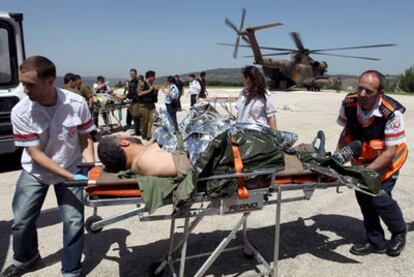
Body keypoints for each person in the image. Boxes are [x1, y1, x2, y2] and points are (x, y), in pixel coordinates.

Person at [1, 56, 95, 277]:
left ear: (50, 80)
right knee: (22, 221)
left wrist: (89, 167)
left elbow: (85, 138)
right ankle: (26, 258)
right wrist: (69, 177)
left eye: (30, 84)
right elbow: (35, 154)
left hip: (71, 167)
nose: (24, 89)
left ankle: (71, 270)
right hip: (36, 172)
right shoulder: (21, 111)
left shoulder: (76, 103)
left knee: (73, 221)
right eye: (22, 83)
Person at [336, 70, 408, 257]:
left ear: (380, 93)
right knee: (363, 197)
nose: (362, 94)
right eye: (360, 88)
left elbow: (390, 152)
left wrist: (362, 173)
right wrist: (336, 161)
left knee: (378, 196)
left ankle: (399, 232)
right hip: (364, 157)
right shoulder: (349, 103)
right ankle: (376, 241)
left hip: (389, 158)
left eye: (368, 91)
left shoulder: (392, 112)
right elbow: (346, 135)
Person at [97, 136, 191, 179]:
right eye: (122, 136)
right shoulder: (145, 162)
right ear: (124, 143)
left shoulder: (144, 154)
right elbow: (187, 165)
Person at [135, 70, 158, 140]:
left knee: (153, 119)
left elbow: (153, 94)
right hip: (144, 105)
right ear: (150, 76)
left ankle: (149, 135)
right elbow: (139, 93)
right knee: (145, 121)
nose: (155, 78)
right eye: (154, 76)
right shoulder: (142, 83)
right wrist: (149, 90)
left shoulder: (152, 84)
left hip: (152, 105)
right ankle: (144, 134)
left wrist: (156, 91)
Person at [127, 68, 141, 133]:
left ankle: (138, 130)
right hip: (133, 101)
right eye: (131, 74)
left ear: (136, 74)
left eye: (133, 74)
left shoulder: (139, 82)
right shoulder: (130, 82)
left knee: (137, 116)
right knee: (134, 116)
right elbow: (130, 93)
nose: (132, 75)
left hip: (139, 101)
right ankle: (137, 129)